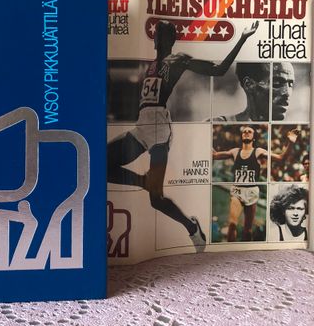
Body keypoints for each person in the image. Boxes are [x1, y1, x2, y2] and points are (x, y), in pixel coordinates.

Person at [107, 19, 259, 252]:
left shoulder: (178, 59)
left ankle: (192, 228)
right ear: (154, 39)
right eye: (157, 33)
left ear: (172, 39)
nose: (159, 37)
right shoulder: (150, 64)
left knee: (156, 200)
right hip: (142, 125)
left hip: (159, 129)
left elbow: (219, 70)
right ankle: (143, 181)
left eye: (164, 34)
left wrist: (242, 38)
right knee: (103, 163)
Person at [212, 126, 299, 241]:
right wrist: (205, 140)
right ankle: (231, 248)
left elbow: (280, 158)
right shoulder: (235, 151)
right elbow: (214, 155)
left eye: (249, 131)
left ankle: (247, 249)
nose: (246, 133)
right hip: (237, 190)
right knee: (232, 224)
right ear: (241, 136)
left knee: (247, 230)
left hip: (251, 191)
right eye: (244, 132)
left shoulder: (258, 151)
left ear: (253, 137)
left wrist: (290, 143)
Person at [213, 62, 295, 122]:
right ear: (249, 84)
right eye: (276, 83)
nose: (287, 93)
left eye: (290, 84)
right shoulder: (217, 124)